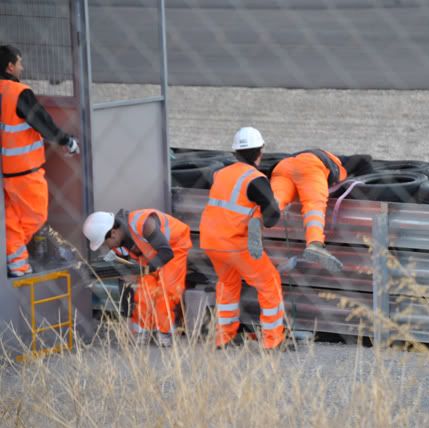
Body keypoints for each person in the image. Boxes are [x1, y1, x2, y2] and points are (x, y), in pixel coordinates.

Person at [199, 126, 288, 350]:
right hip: (235, 244)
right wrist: (262, 220)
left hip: (211, 242)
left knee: (228, 284)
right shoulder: (256, 179)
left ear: (235, 153)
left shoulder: (220, 174)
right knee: (269, 283)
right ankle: (272, 340)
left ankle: (223, 336)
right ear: (261, 151)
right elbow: (273, 214)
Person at [0, 45, 80, 277]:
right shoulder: (17, 92)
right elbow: (42, 122)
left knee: (11, 219)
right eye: (20, 62)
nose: (22, 67)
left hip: (5, 174)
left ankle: (18, 266)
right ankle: (14, 260)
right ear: (10, 66)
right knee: (35, 217)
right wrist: (66, 141)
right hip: (25, 171)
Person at [82, 208, 192, 347]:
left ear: (114, 233)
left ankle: (165, 334)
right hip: (149, 255)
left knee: (167, 291)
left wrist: (141, 271)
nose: (105, 247)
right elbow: (125, 280)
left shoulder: (143, 223)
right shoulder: (118, 246)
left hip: (174, 248)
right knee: (144, 292)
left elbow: (166, 253)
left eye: (104, 243)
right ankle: (143, 332)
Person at [270, 149, 372, 272]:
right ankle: (315, 244)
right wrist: (367, 182)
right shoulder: (340, 162)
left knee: (275, 202)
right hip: (309, 165)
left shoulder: (326, 159)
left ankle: (254, 224)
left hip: (281, 167)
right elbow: (365, 158)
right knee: (314, 205)